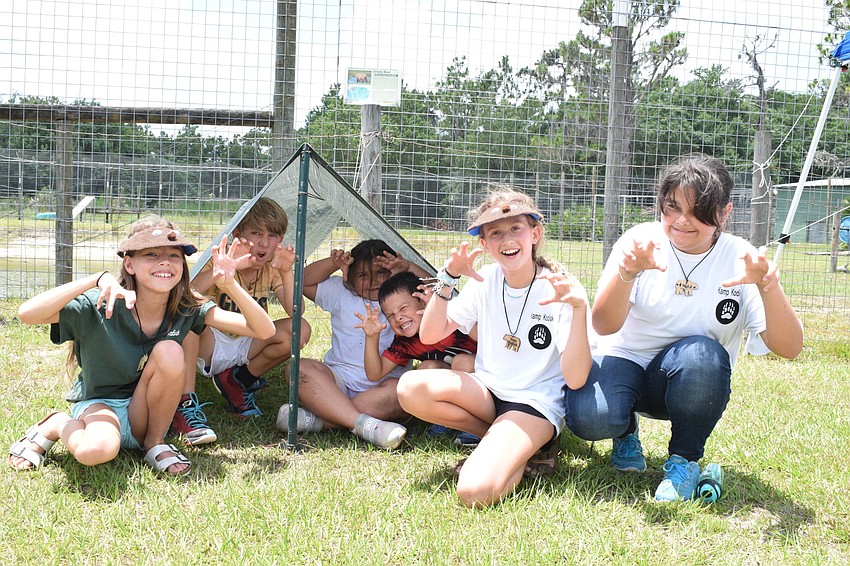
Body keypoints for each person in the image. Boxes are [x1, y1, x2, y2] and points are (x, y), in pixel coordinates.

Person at [565, 154, 803, 502]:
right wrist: (628, 273)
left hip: (692, 377)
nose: (681, 222)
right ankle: (626, 428)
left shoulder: (741, 258)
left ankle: (685, 460)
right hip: (623, 361)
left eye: (698, 211)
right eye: (672, 207)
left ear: (724, 212)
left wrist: (767, 286)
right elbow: (603, 325)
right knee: (590, 419)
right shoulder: (640, 243)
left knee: (702, 353)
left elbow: (790, 347)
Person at [8, 217, 275, 476]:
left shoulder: (185, 306)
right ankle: (57, 424)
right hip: (101, 405)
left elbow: (263, 330)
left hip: (145, 407)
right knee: (96, 452)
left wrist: (227, 284)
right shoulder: (102, 302)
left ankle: (155, 442)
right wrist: (95, 279)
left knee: (170, 349)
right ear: (130, 264)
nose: (165, 262)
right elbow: (27, 314)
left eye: (174, 255)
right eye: (151, 254)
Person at [396, 186, 592, 507]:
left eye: (517, 228)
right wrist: (448, 277)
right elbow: (430, 335)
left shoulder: (558, 287)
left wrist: (580, 310)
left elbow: (575, 379)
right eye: (496, 233)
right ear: (485, 245)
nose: (507, 239)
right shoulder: (485, 279)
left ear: (535, 233)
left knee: (474, 492)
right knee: (410, 387)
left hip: (532, 404)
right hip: (488, 394)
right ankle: (511, 447)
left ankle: (522, 446)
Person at [173, 197, 311, 445]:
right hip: (210, 345)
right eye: (256, 233)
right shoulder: (222, 257)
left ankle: (238, 381)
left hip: (248, 342)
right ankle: (186, 403)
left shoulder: (271, 268)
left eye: (272, 236)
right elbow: (186, 296)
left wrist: (286, 271)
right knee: (193, 316)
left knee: (298, 330)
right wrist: (223, 270)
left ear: (280, 240)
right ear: (238, 233)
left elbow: (295, 312)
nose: (264, 243)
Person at [276, 240, 428, 449]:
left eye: (381, 272)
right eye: (363, 275)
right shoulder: (340, 291)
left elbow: (436, 289)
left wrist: (407, 268)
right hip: (337, 384)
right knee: (298, 369)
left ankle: (321, 419)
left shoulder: (402, 295)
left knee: (405, 390)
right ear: (349, 277)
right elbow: (303, 282)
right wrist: (333, 263)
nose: (373, 281)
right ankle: (364, 424)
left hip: (383, 388)